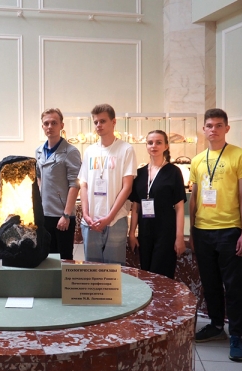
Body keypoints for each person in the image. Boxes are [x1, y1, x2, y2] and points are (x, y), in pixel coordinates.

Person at [189, 108, 242, 362]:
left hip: (230, 230)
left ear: (227, 128)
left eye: (218, 125)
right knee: (211, 284)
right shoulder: (197, 160)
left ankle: (236, 335)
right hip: (203, 231)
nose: (213, 129)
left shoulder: (239, 155)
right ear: (203, 129)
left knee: (233, 287)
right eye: (209, 125)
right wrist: (192, 230)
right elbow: (195, 196)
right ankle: (216, 326)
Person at [78, 104, 137, 264]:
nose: (98, 125)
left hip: (115, 220)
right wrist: (85, 215)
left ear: (113, 122)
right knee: (92, 270)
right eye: (96, 122)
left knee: (114, 272)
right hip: (91, 221)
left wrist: (109, 217)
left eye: (103, 121)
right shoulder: (90, 151)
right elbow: (83, 185)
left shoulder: (126, 149)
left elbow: (127, 187)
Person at [128, 130, 186, 279]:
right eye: (150, 143)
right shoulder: (139, 173)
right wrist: (132, 233)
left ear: (166, 146)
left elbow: (179, 207)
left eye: (158, 142)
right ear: (146, 146)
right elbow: (136, 207)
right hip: (145, 233)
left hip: (166, 232)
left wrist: (179, 236)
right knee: (146, 275)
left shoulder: (174, 172)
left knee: (161, 276)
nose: (154, 146)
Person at [35, 108, 81, 260]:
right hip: (44, 214)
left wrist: (66, 215)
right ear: (42, 126)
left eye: (54, 123)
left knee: (64, 259)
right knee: (47, 258)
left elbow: (75, 184)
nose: (50, 127)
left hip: (62, 215)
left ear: (61, 125)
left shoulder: (71, 151)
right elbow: (39, 177)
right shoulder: (39, 151)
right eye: (46, 123)